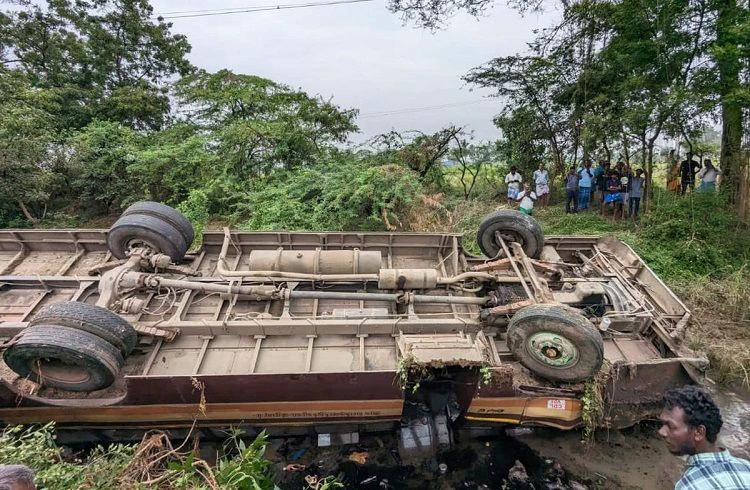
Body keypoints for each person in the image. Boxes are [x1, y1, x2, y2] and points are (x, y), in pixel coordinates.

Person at [659, 385, 750, 489]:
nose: (661, 432)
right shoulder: (746, 467)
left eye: (670, 426)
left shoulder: (688, 486)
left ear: (698, 432)